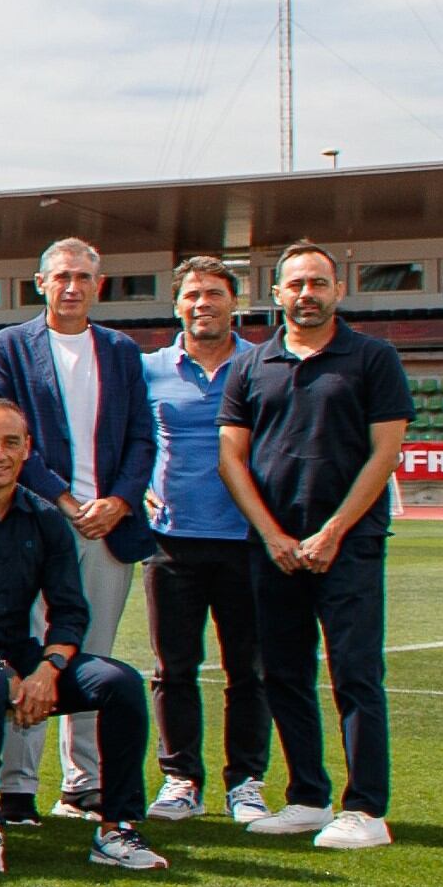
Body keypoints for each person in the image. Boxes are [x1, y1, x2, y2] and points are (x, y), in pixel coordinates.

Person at [217, 240, 414, 849]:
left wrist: (333, 531)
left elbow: (386, 451)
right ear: (275, 294)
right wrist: (274, 535)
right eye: (295, 284)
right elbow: (231, 456)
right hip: (273, 548)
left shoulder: (373, 357)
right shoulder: (252, 365)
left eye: (318, 284)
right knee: (284, 673)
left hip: (348, 546)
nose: (307, 294)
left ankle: (366, 808)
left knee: (355, 672)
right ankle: (307, 795)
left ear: (338, 291)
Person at [0, 398, 167, 871]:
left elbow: (71, 609)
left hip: (28, 658)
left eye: (11, 442)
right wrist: (6, 672)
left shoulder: (45, 516)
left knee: (121, 684)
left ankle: (118, 827)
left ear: (28, 449)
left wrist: (48, 670)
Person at [0, 236, 156, 824]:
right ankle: (18, 786)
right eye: (61, 277)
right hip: (38, 521)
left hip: (110, 528)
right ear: (41, 283)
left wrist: (118, 501)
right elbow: (8, 438)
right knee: (28, 651)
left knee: (94, 656)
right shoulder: (9, 346)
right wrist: (62, 497)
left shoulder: (122, 351)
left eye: (83, 277)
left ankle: (85, 783)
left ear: (98, 285)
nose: (72, 287)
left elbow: (141, 439)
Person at [141, 256, 273, 824]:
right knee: (175, 667)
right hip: (172, 542)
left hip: (245, 540)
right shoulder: (148, 368)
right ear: (177, 305)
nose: (203, 304)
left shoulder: (264, 364)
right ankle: (180, 778)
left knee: (249, 668)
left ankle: (245, 780)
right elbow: (129, 438)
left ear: (232, 302)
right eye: (192, 294)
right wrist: (141, 486)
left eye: (214, 294)